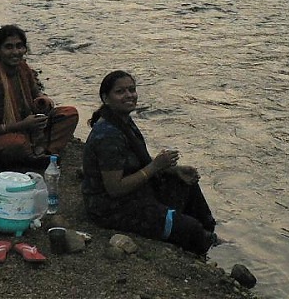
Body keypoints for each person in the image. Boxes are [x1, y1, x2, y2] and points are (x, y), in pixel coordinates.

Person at [82, 70, 217, 255]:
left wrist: (173, 170)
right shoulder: (108, 135)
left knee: (187, 184)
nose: (129, 95)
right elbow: (114, 188)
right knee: (190, 229)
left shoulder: (123, 121)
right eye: (120, 92)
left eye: (132, 90)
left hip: (132, 195)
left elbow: (134, 164)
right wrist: (156, 166)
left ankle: (210, 235)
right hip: (110, 209)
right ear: (106, 98)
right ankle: (201, 244)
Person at [0, 25, 79, 170]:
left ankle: (46, 153)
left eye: (19, 46)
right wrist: (21, 126)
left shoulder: (22, 68)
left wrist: (42, 100)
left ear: (25, 49)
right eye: (9, 47)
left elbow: (35, 93)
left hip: (26, 127)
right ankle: (31, 155)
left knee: (69, 113)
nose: (15, 52)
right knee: (17, 143)